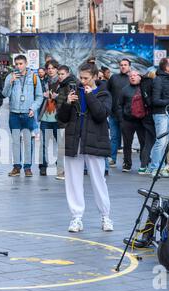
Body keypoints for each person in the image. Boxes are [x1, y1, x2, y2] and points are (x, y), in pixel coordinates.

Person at [57, 62, 113, 233]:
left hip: (95, 141)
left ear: (95, 77)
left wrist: (89, 96)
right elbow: (61, 118)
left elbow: (101, 114)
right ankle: (76, 218)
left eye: (86, 78)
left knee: (98, 180)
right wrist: (67, 103)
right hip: (74, 140)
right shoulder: (73, 91)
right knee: (73, 181)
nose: (83, 82)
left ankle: (105, 216)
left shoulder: (103, 93)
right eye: (81, 78)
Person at [2, 54, 43, 177]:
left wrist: (33, 108)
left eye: (21, 64)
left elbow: (39, 96)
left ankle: (27, 167)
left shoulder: (34, 77)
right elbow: (4, 94)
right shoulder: (10, 76)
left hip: (27, 114)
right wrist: (10, 82)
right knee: (15, 142)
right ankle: (16, 167)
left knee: (27, 142)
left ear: (26, 64)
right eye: (17, 64)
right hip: (14, 114)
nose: (19, 66)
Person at [148, 57, 169, 177]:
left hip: (168, 113)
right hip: (161, 114)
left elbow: (168, 96)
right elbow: (155, 100)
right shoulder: (158, 80)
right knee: (160, 141)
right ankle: (155, 168)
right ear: (167, 67)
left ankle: (159, 168)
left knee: (165, 142)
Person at [119, 71, 154, 173]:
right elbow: (119, 105)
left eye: (135, 75)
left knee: (143, 143)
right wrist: (121, 119)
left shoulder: (144, 88)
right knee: (127, 144)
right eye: (130, 76)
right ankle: (127, 164)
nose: (132, 77)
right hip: (127, 121)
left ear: (140, 77)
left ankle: (144, 164)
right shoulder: (124, 90)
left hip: (142, 121)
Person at [38, 60, 64, 179]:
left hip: (58, 118)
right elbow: (36, 96)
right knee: (43, 144)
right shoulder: (42, 82)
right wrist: (42, 95)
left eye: (53, 68)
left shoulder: (62, 82)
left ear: (57, 69)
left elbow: (67, 95)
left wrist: (57, 96)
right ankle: (43, 166)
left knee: (60, 144)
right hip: (45, 117)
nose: (50, 70)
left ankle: (60, 166)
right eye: (49, 68)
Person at [107, 58, 131, 168]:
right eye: (121, 65)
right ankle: (112, 158)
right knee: (114, 137)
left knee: (127, 139)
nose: (123, 66)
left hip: (127, 115)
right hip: (113, 113)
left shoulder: (132, 78)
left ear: (129, 66)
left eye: (125, 65)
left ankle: (126, 161)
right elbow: (107, 92)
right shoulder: (114, 78)